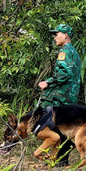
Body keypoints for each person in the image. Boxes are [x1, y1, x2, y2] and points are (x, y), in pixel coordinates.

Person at [34, 23, 81, 160]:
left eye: (57, 34)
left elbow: (63, 75)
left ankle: (59, 154)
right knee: (62, 126)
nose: (55, 37)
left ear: (65, 35)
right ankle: (61, 157)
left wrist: (47, 82)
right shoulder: (74, 52)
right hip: (70, 95)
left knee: (46, 119)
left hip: (61, 95)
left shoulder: (65, 51)